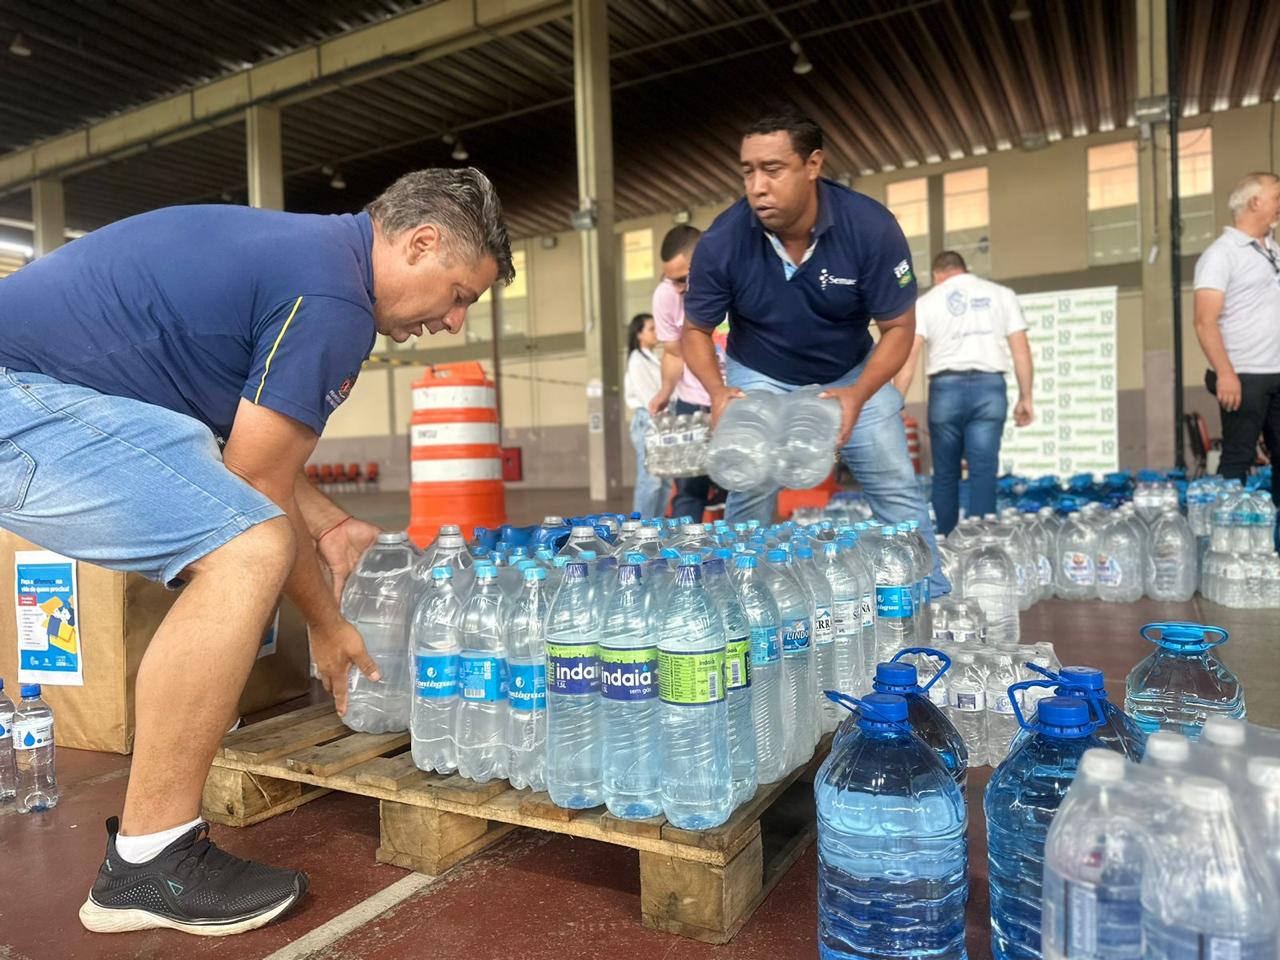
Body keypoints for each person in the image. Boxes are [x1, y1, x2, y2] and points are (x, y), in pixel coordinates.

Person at [0, 168, 513, 936]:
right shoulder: (336, 300)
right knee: (249, 548)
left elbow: (250, 450)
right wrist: (329, 623)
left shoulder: (303, 256)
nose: (454, 323)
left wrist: (330, 523)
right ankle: (147, 864)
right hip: (16, 393)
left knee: (235, 502)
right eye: (461, 294)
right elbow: (258, 489)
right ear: (422, 242)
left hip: (40, 387)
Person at [682, 103, 946, 593]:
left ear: (814, 165)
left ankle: (928, 600)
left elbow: (898, 328)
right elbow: (695, 330)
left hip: (850, 371)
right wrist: (719, 393)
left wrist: (859, 394)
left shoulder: (869, 228)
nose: (757, 185)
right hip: (759, 372)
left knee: (897, 491)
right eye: (748, 171)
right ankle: (744, 606)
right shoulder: (723, 240)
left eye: (773, 169)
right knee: (749, 489)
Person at [893, 250, 1035, 534]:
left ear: (937, 275)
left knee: (945, 474)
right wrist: (1026, 397)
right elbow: (1021, 351)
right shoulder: (1001, 294)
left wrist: (897, 403)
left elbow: (909, 356)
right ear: (964, 269)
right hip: (989, 389)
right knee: (983, 470)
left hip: (946, 391)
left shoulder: (927, 302)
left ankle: (945, 542)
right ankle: (979, 542)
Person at [1194, 171, 1280, 505]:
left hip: (1277, 372)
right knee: (1238, 460)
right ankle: (1230, 548)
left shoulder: (1272, 249)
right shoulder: (1221, 254)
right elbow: (1204, 321)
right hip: (1243, 375)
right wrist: (1225, 372)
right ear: (1255, 202)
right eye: (1277, 195)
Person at [648, 225, 715, 523]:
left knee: (743, 485)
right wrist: (665, 390)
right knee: (690, 489)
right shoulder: (666, 295)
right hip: (693, 403)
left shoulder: (734, 281)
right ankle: (684, 557)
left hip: (738, 399)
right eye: (669, 279)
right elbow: (674, 352)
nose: (677, 288)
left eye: (682, 279)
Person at [624, 312, 667, 518]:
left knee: (664, 481)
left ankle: (656, 529)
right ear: (639, 334)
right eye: (651, 329)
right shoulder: (636, 360)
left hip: (662, 420)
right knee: (650, 480)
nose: (656, 332)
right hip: (648, 421)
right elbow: (650, 396)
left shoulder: (653, 359)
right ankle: (640, 531)